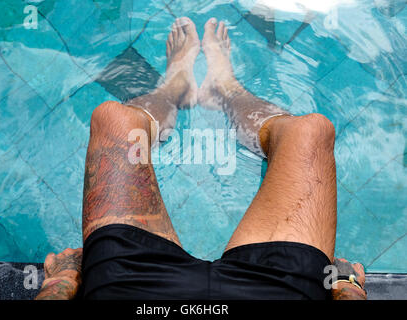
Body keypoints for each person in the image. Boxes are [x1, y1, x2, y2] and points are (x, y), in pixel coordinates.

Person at [35, 17, 367, 300]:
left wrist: (59, 282)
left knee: (114, 120)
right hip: (274, 291)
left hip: (133, 291)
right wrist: (346, 286)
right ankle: (227, 90)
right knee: (311, 131)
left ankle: (173, 90)